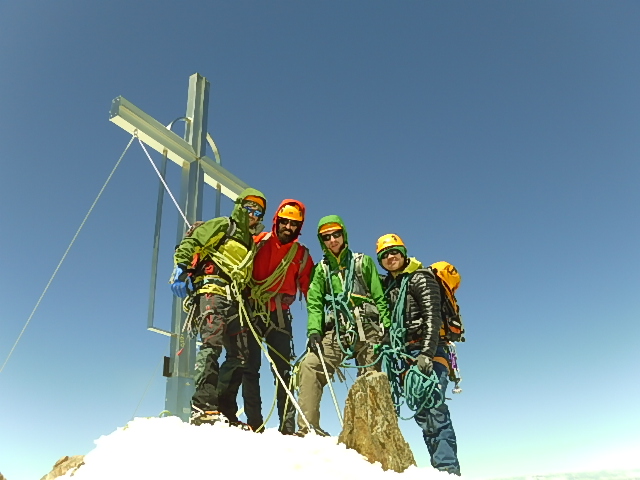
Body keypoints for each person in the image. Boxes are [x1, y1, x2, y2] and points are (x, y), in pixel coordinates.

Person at [170, 188, 267, 426]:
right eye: (249, 206)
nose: (253, 213)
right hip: (212, 291)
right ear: (239, 205)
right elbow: (193, 242)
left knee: (240, 354)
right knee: (211, 345)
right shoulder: (225, 225)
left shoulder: (250, 243)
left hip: (236, 300)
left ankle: (225, 408)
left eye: (258, 210)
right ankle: (202, 405)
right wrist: (181, 267)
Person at [296, 215, 391, 436]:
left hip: (367, 328)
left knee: (371, 377)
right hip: (339, 330)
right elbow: (315, 303)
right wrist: (314, 331)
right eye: (326, 237)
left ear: (343, 235)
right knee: (310, 365)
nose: (332, 240)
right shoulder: (322, 271)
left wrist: (386, 327)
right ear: (322, 241)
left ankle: (371, 432)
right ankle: (308, 428)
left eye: (336, 234)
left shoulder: (362, 262)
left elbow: (379, 297)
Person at [376, 233, 461, 476]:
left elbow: (432, 317)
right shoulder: (390, 286)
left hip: (429, 351)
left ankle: (448, 471)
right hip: (405, 355)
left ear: (403, 252)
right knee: (424, 416)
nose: (390, 257)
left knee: (434, 409)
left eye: (394, 251)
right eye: (385, 254)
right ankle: (440, 469)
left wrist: (426, 352)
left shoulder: (421, 278)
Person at [242, 200, 313, 434]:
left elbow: (311, 290)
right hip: (253, 310)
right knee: (249, 367)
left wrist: (319, 323)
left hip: (279, 317)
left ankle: (287, 426)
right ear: (276, 221)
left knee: (284, 372)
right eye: (284, 221)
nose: (288, 227)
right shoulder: (257, 242)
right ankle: (254, 422)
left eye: (294, 224)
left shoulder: (301, 255)